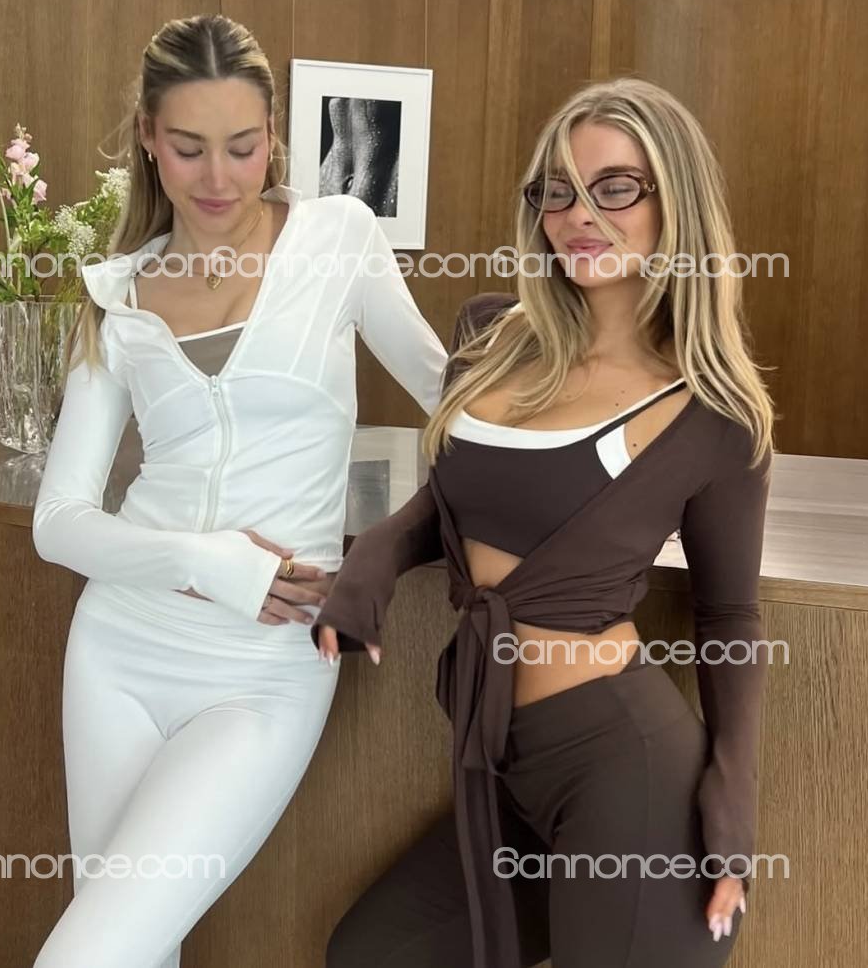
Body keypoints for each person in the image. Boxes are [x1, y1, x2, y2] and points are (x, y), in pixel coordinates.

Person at [314, 76, 776, 968]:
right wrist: (376, 553)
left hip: (624, 765)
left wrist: (733, 794)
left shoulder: (714, 410)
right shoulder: (490, 338)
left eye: (615, 187)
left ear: (674, 200)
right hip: (500, 759)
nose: (579, 215)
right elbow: (454, 502)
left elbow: (729, 614)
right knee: (370, 954)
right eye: (556, 190)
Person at [30, 13, 448, 968]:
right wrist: (203, 560)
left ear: (273, 135)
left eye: (243, 145)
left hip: (263, 670)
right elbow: (59, 521)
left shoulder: (338, 238)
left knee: (85, 957)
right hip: (117, 651)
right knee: (136, 951)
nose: (218, 177)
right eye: (188, 148)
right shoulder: (117, 293)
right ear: (148, 137)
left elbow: (453, 404)